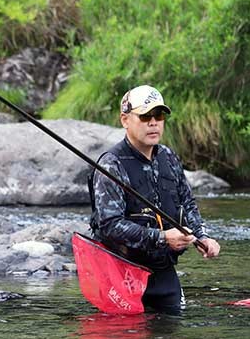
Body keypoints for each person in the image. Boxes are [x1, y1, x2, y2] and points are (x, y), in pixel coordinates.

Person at [89, 85, 221, 314]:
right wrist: (162, 237)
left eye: (158, 116)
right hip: (122, 275)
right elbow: (109, 225)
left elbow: (187, 202)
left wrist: (202, 236)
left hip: (163, 272)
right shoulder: (111, 165)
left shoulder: (168, 157)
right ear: (125, 120)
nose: (153, 122)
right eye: (145, 116)